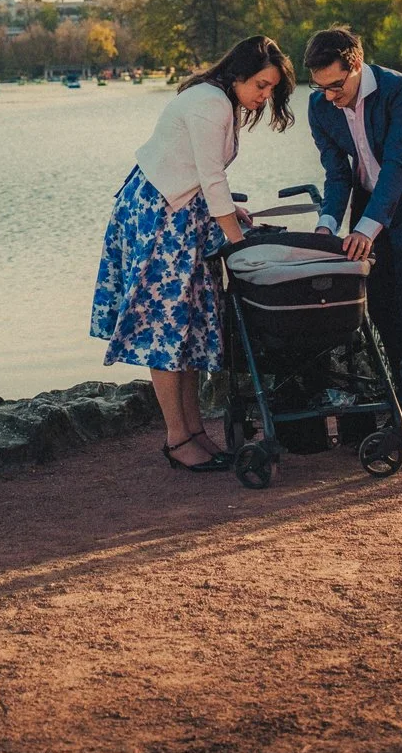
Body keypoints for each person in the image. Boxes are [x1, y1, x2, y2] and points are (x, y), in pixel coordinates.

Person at [90, 36, 296, 471]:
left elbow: (201, 175)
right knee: (164, 328)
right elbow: (210, 174)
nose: (264, 97)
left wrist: (229, 214)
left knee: (187, 329)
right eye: (261, 85)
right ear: (238, 75)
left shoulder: (220, 101)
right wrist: (237, 243)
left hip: (181, 212)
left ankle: (195, 430)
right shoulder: (211, 103)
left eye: (271, 89)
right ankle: (177, 437)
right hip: (159, 216)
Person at [304, 26, 402, 435]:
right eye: (320, 87)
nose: (330, 96)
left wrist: (367, 229)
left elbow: (398, 165)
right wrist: (326, 226)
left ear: (355, 65)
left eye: (336, 86)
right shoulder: (319, 106)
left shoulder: (399, 89)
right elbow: (337, 174)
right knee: (379, 307)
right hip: (367, 202)